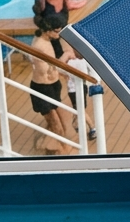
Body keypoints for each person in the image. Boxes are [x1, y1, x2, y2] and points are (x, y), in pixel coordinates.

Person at [29, 21, 72, 154]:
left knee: (58, 122)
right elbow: (47, 69)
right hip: (42, 88)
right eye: (56, 31)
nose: (59, 34)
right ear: (47, 31)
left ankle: (42, 142)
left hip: (53, 86)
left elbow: (52, 67)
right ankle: (65, 150)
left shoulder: (50, 40)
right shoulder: (39, 46)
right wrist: (65, 57)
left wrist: (61, 73)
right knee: (56, 124)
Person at [62, 42, 98, 141]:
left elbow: (59, 69)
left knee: (80, 109)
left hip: (73, 89)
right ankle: (77, 123)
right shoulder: (83, 58)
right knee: (79, 107)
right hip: (84, 86)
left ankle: (92, 128)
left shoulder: (69, 60)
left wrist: (65, 56)